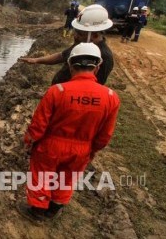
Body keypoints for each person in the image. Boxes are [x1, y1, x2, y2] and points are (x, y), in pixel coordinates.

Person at [19, 42, 120, 222]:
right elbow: (105, 134)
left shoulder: (57, 91)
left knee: (42, 175)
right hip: (82, 148)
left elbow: (38, 125)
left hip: (51, 146)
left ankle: (37, 212)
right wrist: (93, 150)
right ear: (97, 67)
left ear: (70, 65)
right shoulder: (111, 97)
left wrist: (29, 141)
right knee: (67, 179)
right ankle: (53, 209)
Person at [20, 4, 114, 85]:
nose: (75, 36)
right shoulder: (82, 45)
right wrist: (36, 60)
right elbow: (61, 56)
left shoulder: (104, 57)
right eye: (76, 32)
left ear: (95, 34)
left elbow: (94, 88)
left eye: (80, 34)